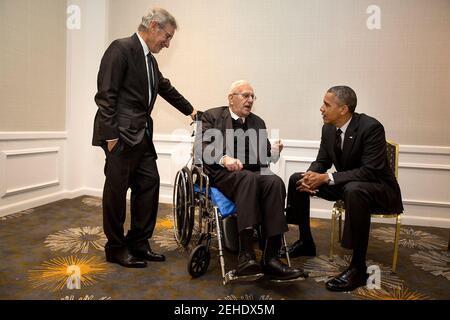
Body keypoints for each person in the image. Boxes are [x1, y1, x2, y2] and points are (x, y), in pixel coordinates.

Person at [92, 8, 197, 268]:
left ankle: (138, 242)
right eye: (167, 36)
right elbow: (106, 95)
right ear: (153, 26)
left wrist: (191, 110)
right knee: (116, 194)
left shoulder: (150, 59)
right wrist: (111, 137)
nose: (168, 43)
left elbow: (164, 87)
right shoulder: (121, 48)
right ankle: (115, 248)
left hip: (142, 136)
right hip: (121, 136)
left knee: (149, 186)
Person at [284, 85, 403, 291]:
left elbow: (369, 171)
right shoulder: (328, 128)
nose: (321, 108)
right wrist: (312, 176)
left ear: (343, 109)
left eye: (326, 104)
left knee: (354, 190)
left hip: (379, 189)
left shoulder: (371, 127)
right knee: (298, 179)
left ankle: (358, 267)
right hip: (348, 184)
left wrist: (327, 177)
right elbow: (322, 160)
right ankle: (305, 242)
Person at [200, 80, 307, 281]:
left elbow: (265, 156)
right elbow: (203, 147)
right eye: (245, 95)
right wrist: (224, 159)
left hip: (253, 172)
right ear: (231, 98)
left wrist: (274, 152)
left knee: (275, 182)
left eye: (252, 97)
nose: (250, 100)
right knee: (248, 178)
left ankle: (271, 258)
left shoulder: (258, 122)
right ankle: (246, 255)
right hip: (223, 173)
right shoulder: (212, 116)